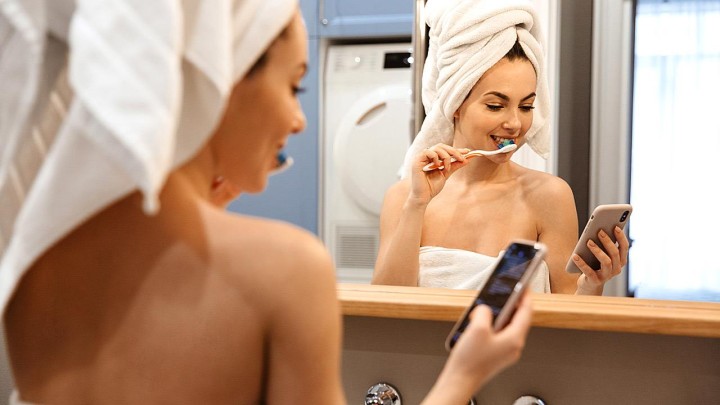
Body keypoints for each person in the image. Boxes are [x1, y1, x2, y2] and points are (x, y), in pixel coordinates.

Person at [0, 1, 532, 403]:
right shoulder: (284, 269)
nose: (298, 120)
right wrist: (464, 373)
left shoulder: (40, 260)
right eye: (294, 87)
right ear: (225, 84)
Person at [372, 0, 629, 295]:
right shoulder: (405, 197)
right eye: (495, 106)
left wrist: (593, 283)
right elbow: (385, 304)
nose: (515, 123)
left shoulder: (549, 196)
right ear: (456, 105)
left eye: (526, 106)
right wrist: (417, 205)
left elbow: (569, 310)